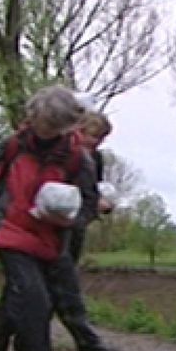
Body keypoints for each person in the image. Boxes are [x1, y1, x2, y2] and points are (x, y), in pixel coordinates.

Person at [0, 85, 118, 351]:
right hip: (9, 229)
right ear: (32, 117)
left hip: (51, 236)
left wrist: (73, 219)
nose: (47, 132)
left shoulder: (78, 158)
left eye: (55, 127)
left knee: (24, 295)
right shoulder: (12, 147)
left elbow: (89, 202)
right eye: (44, 123)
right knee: (35, 299)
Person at [69, 110, 115, 262]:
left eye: (102, 138)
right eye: (94, 136)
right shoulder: (63, 153)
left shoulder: (96, 159)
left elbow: (93, 187)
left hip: (80, 218)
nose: (97, 142)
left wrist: (100, 201)